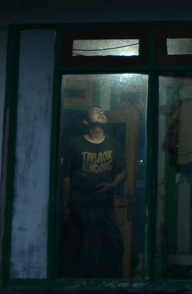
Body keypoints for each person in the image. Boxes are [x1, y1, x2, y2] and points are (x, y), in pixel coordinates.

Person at [61, 106, 127, 278]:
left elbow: (123, 172)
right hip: (79, 208)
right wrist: (66, 205)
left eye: (102, 111)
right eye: (95, 111)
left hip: (104, 207)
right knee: (79, 253)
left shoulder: (113, 144)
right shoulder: (75, 143)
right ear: (86, 121)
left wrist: (112, 185)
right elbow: (66, 176)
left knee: (111, 249)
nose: (100, 112)